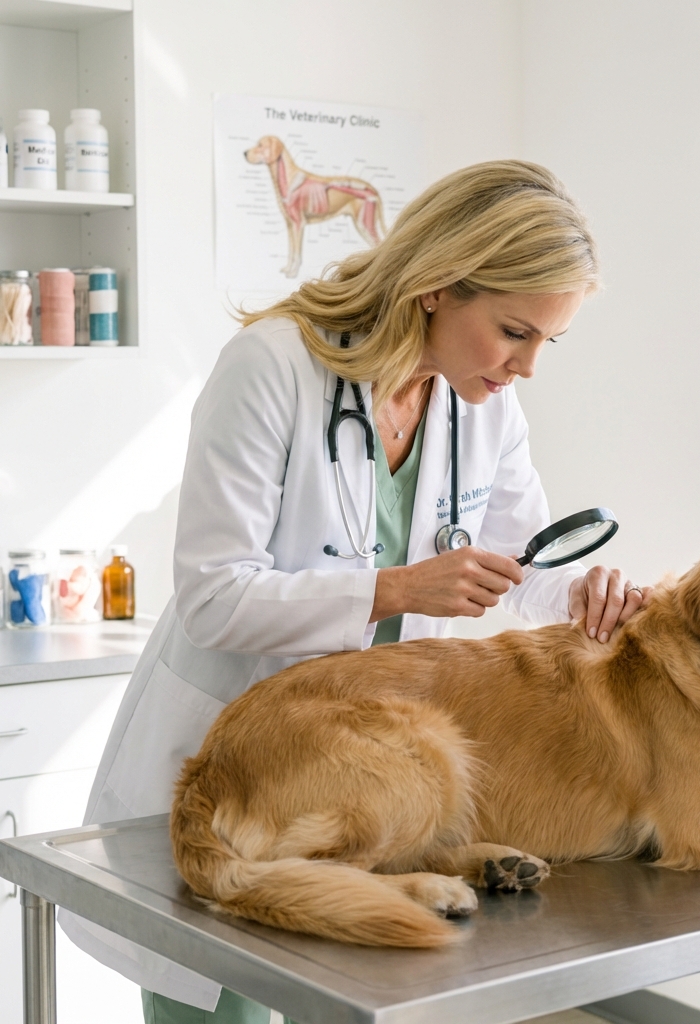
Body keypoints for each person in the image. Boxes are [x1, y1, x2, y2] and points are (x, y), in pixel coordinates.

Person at [60, 160, 652, 1023]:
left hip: (372, 790)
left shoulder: (483, 405)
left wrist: (582, 596)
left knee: (351, 990)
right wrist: (393, 588)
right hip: (242, 769)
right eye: (514, 331)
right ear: (439, 287)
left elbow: (518, 569)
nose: (526, 366)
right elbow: (213, 598)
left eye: (545, 343)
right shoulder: (270, 367)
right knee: (216, 1001)